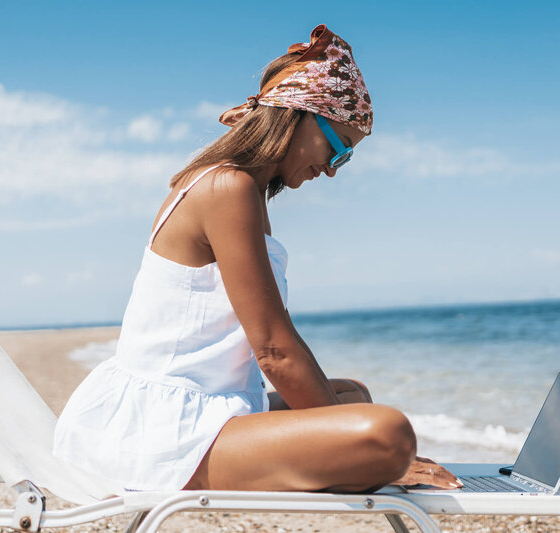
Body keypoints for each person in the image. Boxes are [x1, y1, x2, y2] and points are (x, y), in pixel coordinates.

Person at [53, 24, 462, 493]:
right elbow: (273, 351)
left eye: (344, 159)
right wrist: (380, 457)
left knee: (355, 397)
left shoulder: (234, 187)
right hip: (162, 434)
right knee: (387, 434)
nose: (332, 169)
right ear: (299, 115)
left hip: (189, 410)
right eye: (339, 148)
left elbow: (276, 345)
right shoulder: (228, 188)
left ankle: (362, 451)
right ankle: (371, 456)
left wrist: (346, 431)